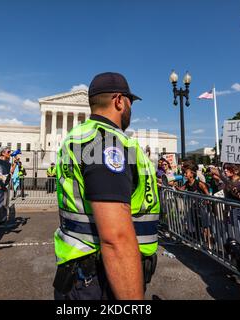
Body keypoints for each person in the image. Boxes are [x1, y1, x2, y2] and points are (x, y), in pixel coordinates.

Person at [53, 72, 159, 300]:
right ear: (119, 101)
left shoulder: (81, 136)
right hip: (99, 281)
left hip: (84, 276)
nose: (131, 109)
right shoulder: (106, 144)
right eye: (131, 102)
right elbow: (116, 238)